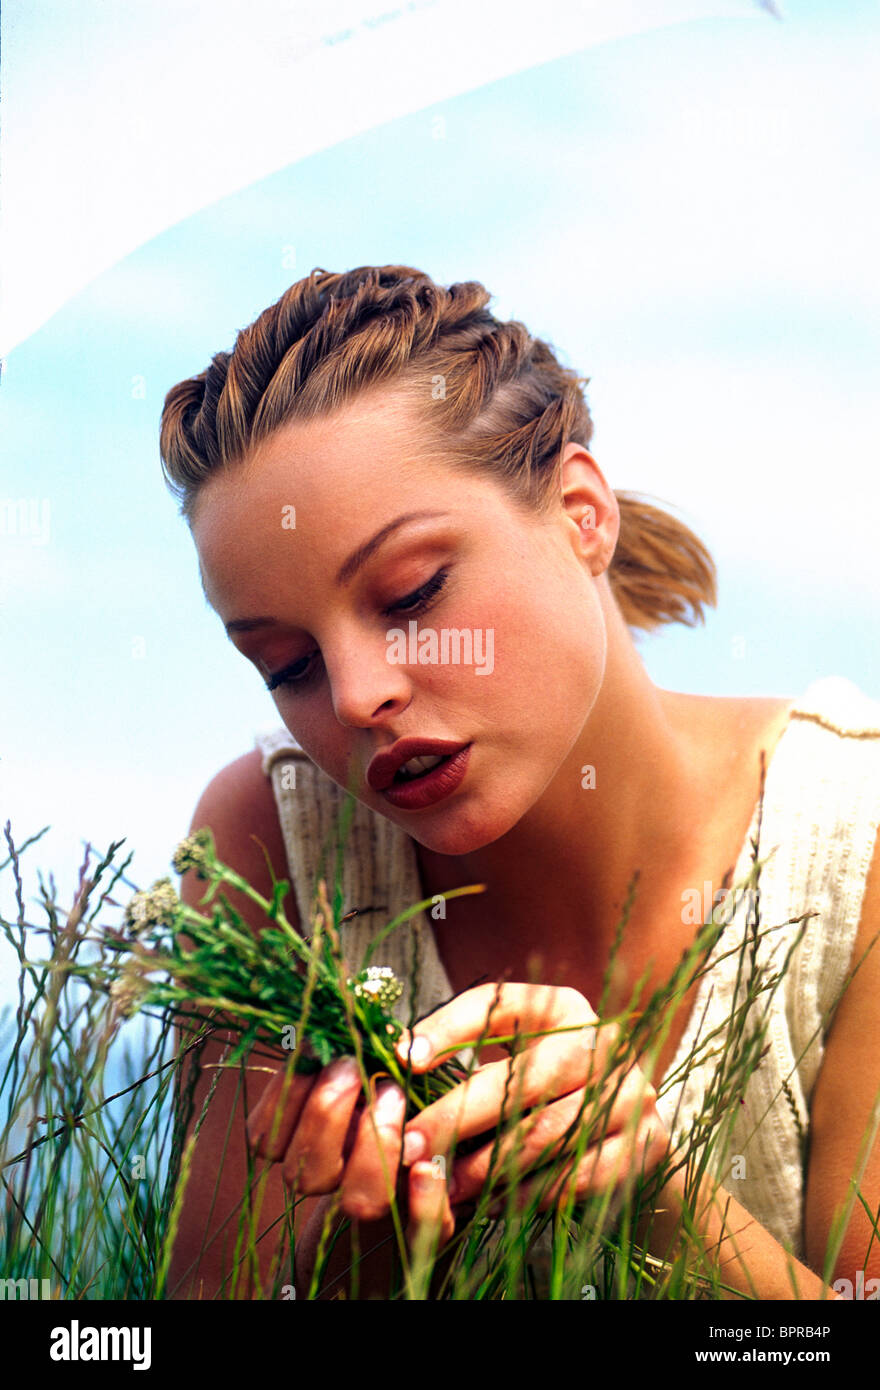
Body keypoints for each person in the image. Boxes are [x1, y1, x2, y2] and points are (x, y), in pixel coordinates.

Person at [159, 264, 880, 1301]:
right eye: (288, 664)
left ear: (582, 513)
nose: (358, 698)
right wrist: (382, 1246)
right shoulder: (274, 845)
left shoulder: (849, 840)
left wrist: (662, 1203)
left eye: (411, 595)